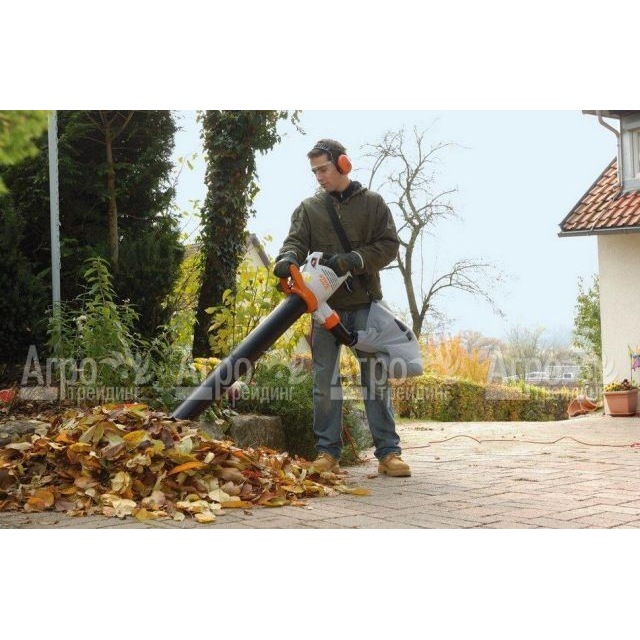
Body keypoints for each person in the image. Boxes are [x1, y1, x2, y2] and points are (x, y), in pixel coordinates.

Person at [273, 139, 411, 477]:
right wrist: (287, 259)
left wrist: (354, 259)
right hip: (325, 307)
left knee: (375, 379)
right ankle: (327, 454)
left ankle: (389, 454)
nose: (319, 176)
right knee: (325, 382)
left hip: (364, 305)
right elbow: (295, 242)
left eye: (323, 169)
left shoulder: (373, 204)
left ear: (343, 164)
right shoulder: (309, 209)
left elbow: (389, 245)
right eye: (314, 171)